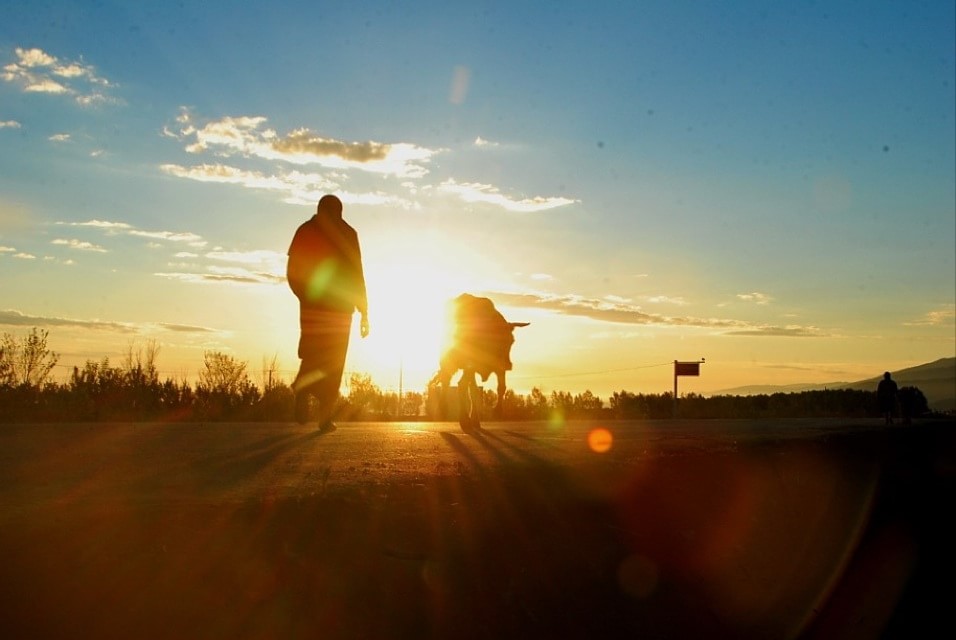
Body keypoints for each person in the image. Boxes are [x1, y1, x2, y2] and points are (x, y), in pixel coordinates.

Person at [287, 195, 369, 430]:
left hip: (326, 307)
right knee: (330, 358)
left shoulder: (308, 230)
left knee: (319, 353)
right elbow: (357, 274)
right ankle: (320, 411)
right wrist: (364, 310)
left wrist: (305, 296)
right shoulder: (344, 233)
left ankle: (309, 394)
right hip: (336, 307)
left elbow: (292, 270)